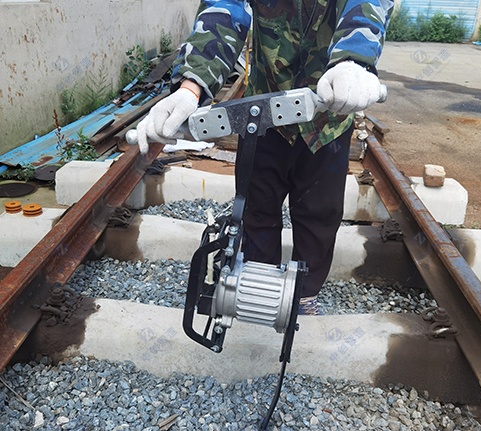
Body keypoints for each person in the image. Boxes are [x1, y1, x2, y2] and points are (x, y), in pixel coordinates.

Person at [137, 0, 393, 315]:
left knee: (319, 214)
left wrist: (355, 59)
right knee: (257, 208)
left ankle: (304, 295)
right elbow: (225, 8)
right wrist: (191, 87)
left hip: (328, 114)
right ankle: (258, 287)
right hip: (263, 111)